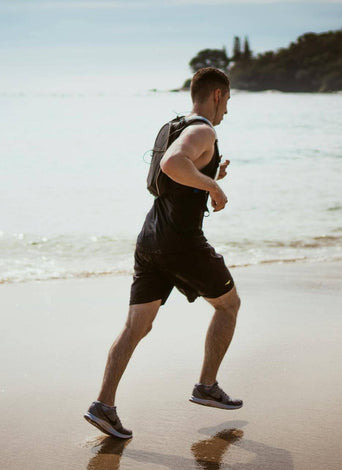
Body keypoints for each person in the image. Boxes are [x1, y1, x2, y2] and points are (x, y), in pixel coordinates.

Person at [84, 67, 242, 439]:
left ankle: (103, 406)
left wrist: (207, 176)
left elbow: (168, 179)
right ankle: (206, 386)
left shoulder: (172, 126)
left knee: (136, 327)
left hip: (150, 240)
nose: (227, 111)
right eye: (228, 101)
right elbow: (173, 165)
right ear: (217, 95)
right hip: (181, 243)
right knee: (229, 305)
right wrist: (214, 189)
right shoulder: (204, 130)